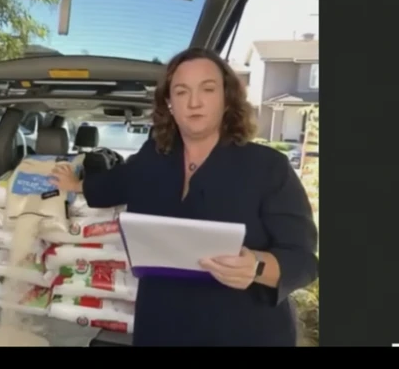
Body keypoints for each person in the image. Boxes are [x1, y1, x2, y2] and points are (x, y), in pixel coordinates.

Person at [50, 47, 319, 347]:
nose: (194, 102)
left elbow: (304, 260)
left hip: (244, 332)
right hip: (161, 327)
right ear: (169, 103)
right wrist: (75, 184)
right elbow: (112, 186)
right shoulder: (152, 157)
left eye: (208, 89)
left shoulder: (269, 167)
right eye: (181, 91)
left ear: (227, 98)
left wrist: (256, 266)